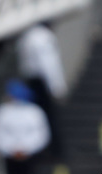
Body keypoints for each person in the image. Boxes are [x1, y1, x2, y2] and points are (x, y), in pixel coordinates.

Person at [16, 23, 67, 157]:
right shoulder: (40, 36)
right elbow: (49, 64)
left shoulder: (31, 36)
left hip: (34, 81)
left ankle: (49, 151)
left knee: (40, 117)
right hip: (39, 82)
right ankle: (54, 151)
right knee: (46, 116)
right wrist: (57, 87)